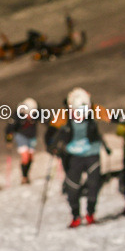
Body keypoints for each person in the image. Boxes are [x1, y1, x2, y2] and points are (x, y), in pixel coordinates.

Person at [48, 87, 108, 227]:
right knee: (72, 187)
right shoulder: (63, 114)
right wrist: (53, 147)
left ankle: (90, 214)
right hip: (73, 156)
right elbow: (50, 133)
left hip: (92, 154)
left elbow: (111, 117)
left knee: (94, 185)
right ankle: (76, 215)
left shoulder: (94, 109)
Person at [5, 98, 39, 184]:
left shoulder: (37, 113)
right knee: (25, 156)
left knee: (31, 157)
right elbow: (9, 128)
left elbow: (46, 120)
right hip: (21, 136)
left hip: (32, 136)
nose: (30, 116)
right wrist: (9, 140)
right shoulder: (17, 115)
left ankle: (26, 175)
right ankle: (24, 178)